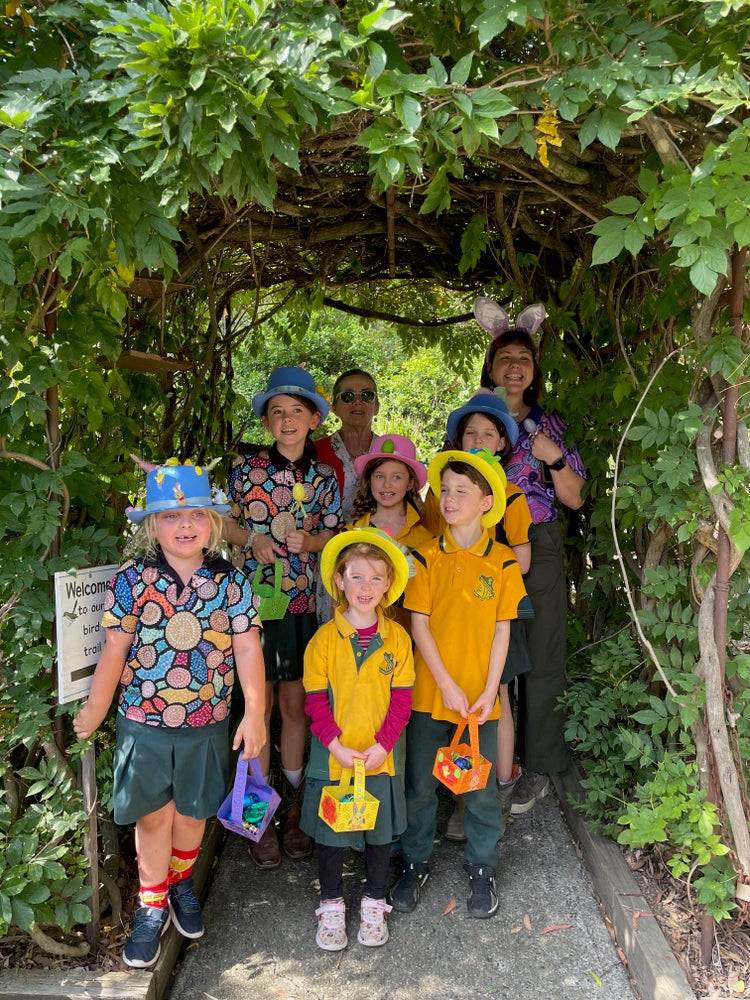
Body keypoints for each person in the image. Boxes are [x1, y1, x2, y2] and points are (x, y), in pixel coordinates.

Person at [73, 459, 266, 969]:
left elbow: (247, 650)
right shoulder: (132, 580)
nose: (185, 526)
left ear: (215, 523)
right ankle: (152, 904)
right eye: (171, 517)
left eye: (197, 515)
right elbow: (114, 650)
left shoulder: (232, 583)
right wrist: (96, 708)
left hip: (208, 724)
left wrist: (257, 713)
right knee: (154, 816)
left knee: (193, 814)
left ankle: (181, 880)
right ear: (151, 526)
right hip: (145, 723)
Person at [391, 449, 533, 919]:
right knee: (419, 788)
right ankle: (414, 862)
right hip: (432, 697)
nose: (449, 499)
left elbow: (502, 630)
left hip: (479, 702)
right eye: (444, 489)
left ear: (487, 501)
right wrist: (448, 686)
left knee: (480, 789)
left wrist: (490, 690)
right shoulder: (425, 556)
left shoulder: (504, 561)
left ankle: (482, 868)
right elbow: (420, 626)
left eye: (461, 491)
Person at [223, 367, 342, 868]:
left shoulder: (324, 477)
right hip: (252, 608)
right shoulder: (246, 471)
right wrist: (253, 540)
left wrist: (310, 542)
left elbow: (336, 536)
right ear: (267, 424)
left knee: (295, 708)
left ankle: (293, 807)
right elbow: (221, 522)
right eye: (278, 413)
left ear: (314, 418)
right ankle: (256, 816)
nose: (288, 420)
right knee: (258, 709)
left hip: (300, 607)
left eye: (297, 411)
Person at [477, 297, 586, 815]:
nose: (514, 366)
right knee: (489, 660)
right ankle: (487, 765)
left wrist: (554, 456)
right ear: (491, 367)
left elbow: (575, 497)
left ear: (534, 369)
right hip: (482, 546)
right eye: (505, 358)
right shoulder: (476, 420)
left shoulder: (551, 423)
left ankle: (540, 763)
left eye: (523, 357)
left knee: (541, 655)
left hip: (538, 546)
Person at [424, 390, 535, 841]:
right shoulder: (443, 492)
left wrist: (486, 568)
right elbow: (434, 543)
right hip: (447, 615)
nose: (478, 439)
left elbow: (523, 558)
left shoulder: (510, 494)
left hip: (494, 610)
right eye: (470, 431)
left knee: (496, 697)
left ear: (502, 444)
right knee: (449, 700)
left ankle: (495, 790)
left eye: (489, 433)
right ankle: (455, 795)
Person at [300, 529, 414, 950]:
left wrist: (384, 745)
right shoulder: (323, 641)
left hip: (379, 758)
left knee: (379, 837)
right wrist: (333, 745)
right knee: (331, 838)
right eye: (357, 577)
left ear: (388, 586)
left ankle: (374, 901)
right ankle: (331, 904)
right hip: (334, 758)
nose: (366, 587)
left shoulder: (398, 640)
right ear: (340, 582)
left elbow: (402, 702)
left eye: (376, 578)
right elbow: (314, 702)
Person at [314, 368, 380, 624]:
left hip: (378, 561)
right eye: (348, 396)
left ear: (376, 406)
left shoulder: (391, 451)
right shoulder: (315, 452)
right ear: (334, 407)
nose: (358, 402)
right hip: (328, 559)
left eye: (366, 395)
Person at [350, 433, 433, 632]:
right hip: (361, 645)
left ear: (411, 483)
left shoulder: (426, 540)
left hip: (411, 644)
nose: (387, 484)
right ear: (369, 481)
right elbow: (339, 598)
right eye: (379, 476)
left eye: (397, 477)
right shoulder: (351, 535)